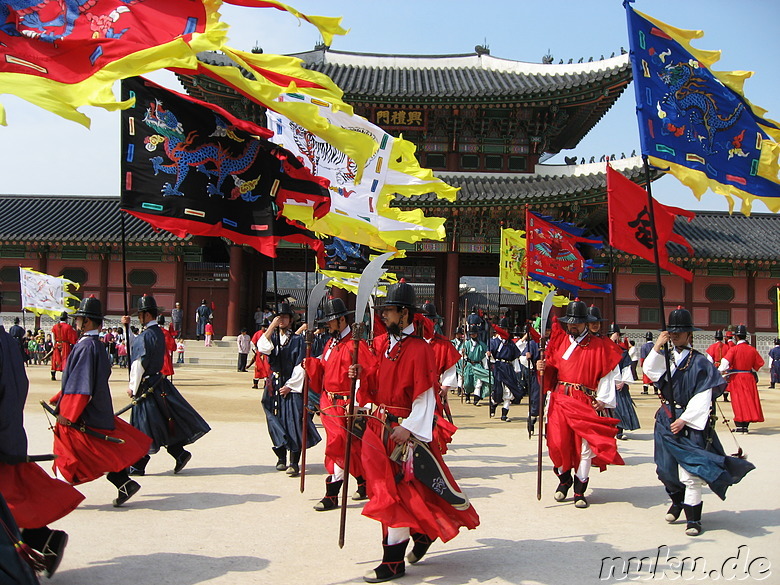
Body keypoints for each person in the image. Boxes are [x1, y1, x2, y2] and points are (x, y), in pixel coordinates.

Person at [356, 282, 479, 583]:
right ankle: (423, 534)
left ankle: (393, 561)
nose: (384, 315)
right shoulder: (386, 344)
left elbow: (425, 397)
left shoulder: (421, 349)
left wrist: (408, 428)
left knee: (394, 495)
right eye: (383, 311)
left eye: (389, 310)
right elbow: (376, 384)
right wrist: (359, 375)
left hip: (403, 433)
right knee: (393, 492)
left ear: (405, 313)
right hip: (380, 427)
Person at [643, 308, 755, 536]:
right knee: (665, 469)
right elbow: (650, 372)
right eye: (672, 332)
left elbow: (703, 396)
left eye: (680, 332)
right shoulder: (665, 357)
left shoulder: (700, 362)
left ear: (689, 334)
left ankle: (693, 520)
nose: (675, 336)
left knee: (690, 472)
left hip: (691, 421)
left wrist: (684, 419)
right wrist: (657, 346)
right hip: (666, 418)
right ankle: (677, 500)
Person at [48, 296, 152, 507]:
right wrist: (59, 398)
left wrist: (67, 415)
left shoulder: (86, 347)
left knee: (68, 451)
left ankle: (60, 494)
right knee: (101, 450)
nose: (76, 323)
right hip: (94, 408)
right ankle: (124, 483)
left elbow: (81, 387)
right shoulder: (96, 345)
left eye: (79, 319)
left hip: (83, 412)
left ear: (86, 322)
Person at [0, 322, 84, 579]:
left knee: (9, 503)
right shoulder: (8, 341)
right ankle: (45, 540)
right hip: (8, 428)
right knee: (10, 499)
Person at [537, 299, 624, 508]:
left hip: (584, 399)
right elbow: (552, 370)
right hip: (560, 398)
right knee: (558, 443)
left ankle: (579, 490)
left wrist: (603, 399)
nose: (572, 326)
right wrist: (542, 366)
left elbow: (608, 374)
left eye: (576, 323)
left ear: (586, 323)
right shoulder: (560, 342)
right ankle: (564, 479)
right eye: (569, 323)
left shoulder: (600, 345)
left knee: (585, 447)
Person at [124, 295, 211, 475]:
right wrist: (126, 328)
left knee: (143, 424)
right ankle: (178, 453)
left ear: (146, 315)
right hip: (158, 384)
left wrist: (132, 386)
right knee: (163, 420)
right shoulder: (157, 333)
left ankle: (139, 464)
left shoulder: (146, 335)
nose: (138, 318)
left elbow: (139, 362)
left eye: (140, 314)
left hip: (146, 385)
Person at [302, 298, 373, 511]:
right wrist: (311, 363)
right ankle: (363, 481)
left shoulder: (355, 344)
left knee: (338, 446)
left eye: (331, 321)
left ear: (342, 320)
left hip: (346, 404)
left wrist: (358, 402)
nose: (328, 325)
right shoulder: (331, 343)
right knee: (349, 447)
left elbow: (369, 372)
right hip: (328, 402)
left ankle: (332, 494)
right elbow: (324, 368)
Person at [257, 302, 321, 477]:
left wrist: (290, 386)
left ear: (291, 320)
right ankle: (281, 457)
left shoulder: (298, 340)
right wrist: (271, 326)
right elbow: (262, 347)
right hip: (273, 386)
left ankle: (294, 462)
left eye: (285, 317)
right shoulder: (272, 339)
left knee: (294, 422)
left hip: (292, 386)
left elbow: (302, 364)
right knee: (274, 421)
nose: (282, 320)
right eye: (279, 318)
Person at [718, 325, 765, 433]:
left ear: (736, 337)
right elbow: (759, 364)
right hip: (749, 377)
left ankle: (740, 424)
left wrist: (719, 372)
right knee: (749, 400)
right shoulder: (752, 350)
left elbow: (724, 364)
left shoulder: (734, 350)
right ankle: (746, 425)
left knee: (738, 400)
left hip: (737, 377)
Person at [607, 323, 640, 440]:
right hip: (607, 383)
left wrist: (623, 382)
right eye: (612, 335)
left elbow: (627, 367)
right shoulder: (605, 349)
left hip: (619, 383)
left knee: (621, 408)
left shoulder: (623, 351)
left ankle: (619, 430)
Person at [487, 324, 523, 421]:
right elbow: (489, 355)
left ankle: (504, 414)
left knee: (509, 390)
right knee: (498, 390)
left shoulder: (510, 343)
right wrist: (489, 355)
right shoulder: (493, 341)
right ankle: (494, 403)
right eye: (503, 329)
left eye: (506, 329)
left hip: (508, 368)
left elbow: (515, 357)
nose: (505, 330)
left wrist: (516, 370)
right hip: (498, 367)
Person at [514, 324, 541, 436]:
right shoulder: (533, 343)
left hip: (553, 376)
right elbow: (522, 357)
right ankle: (532, 417)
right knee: (536, 399)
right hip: (537, 374)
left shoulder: (555, 342)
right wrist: (528, 357)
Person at [461, 324, 490, 405]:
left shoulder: (481, 345)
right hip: (469, 365)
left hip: (478, 365)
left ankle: (476, 399)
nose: (473, 335)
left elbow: (484, 357)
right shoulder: (466, 344)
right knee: (467, 382)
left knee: (478, 383)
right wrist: (463, 354)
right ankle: (467, 396)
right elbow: (463, 355)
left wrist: (486, 367)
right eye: (471, 334)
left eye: (474, 333)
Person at [50, 311, 78, 381]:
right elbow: (72, 338)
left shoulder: (55, 327)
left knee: (55, 359)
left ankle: (53, 374)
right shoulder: (68, 327)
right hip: (65, 345)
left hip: (57, 344)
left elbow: (53, 337)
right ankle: (65, 375)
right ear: (66, 319)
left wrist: (54, 345)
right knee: (65, 359)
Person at [705, 330, 729, 402]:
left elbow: (709, 360)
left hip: (715, 366)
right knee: (725, 381)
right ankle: (725, 397)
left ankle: (714, 397)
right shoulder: (727, 347)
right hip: (725, 367)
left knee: (714, 382)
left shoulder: (712, 347)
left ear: (715, 338)